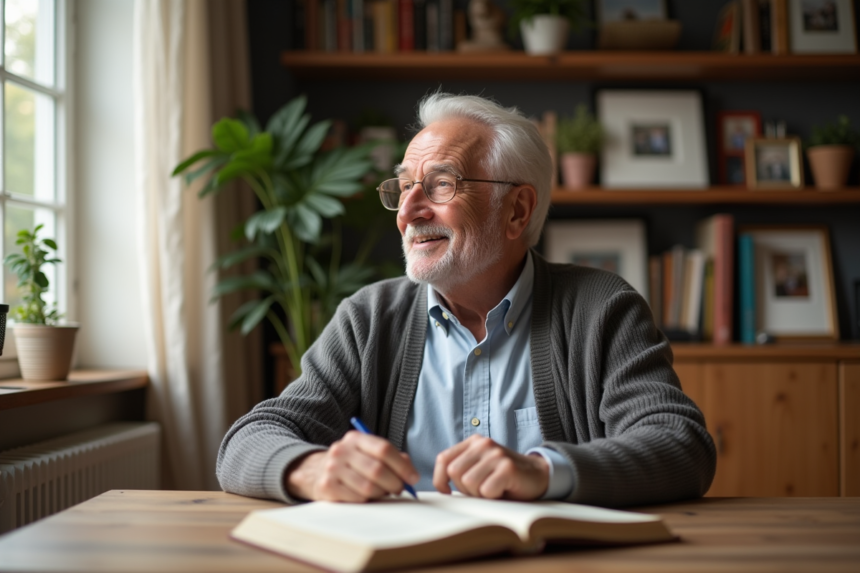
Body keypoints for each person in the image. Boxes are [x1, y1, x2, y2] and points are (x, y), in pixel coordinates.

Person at [216, 93, 716, 507]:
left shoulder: (600, 307)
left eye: (439, 184)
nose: (408, 212)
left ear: (516, 210)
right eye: (404, 187)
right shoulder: (368, 318)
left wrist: (545, 472)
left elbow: (680, 444)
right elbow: (248, 440)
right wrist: (312, 468)